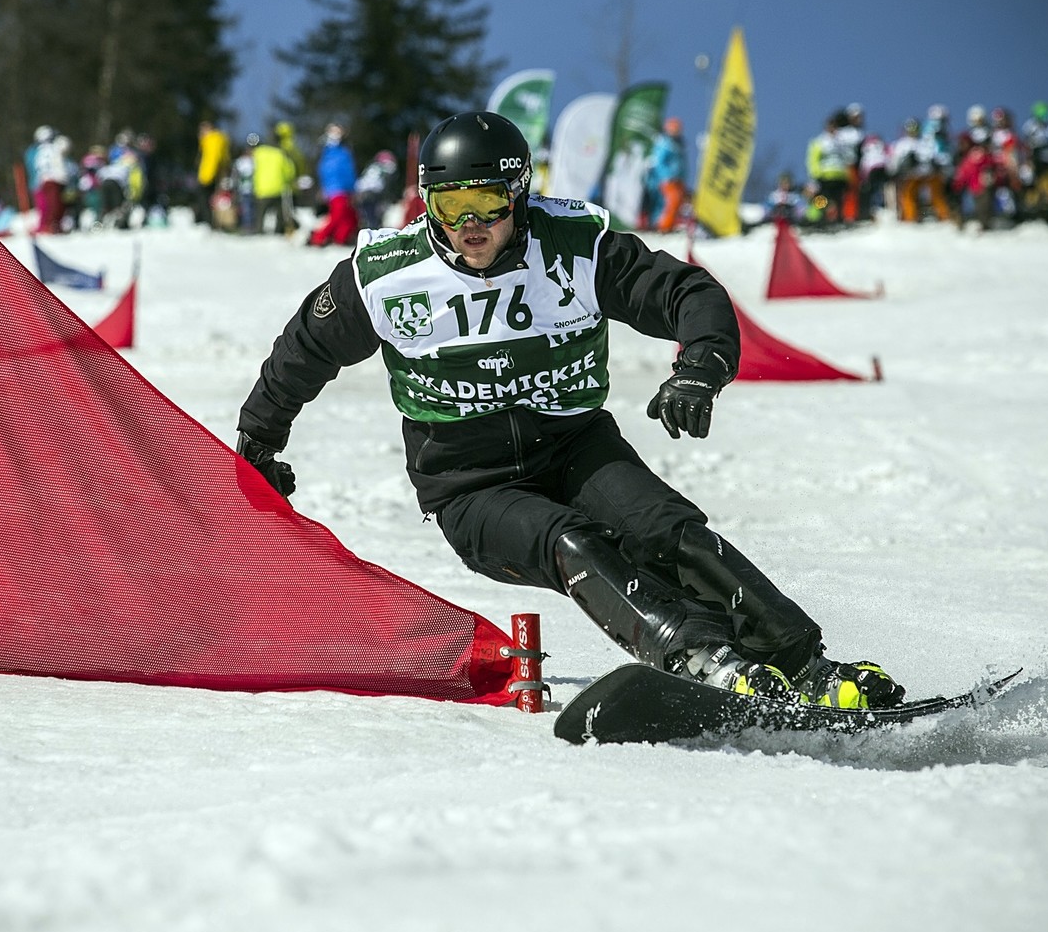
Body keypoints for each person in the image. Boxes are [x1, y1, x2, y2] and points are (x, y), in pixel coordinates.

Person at [235, 111, 905, 711]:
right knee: (571, 542)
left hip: (576, 447)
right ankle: (701, 660)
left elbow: (686, 292)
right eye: (450, 205)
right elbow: (304, 351)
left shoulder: (576, 246)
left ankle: (805, 665)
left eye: (487, 202)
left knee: (669, 533)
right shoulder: (386, 275)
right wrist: (259, 442)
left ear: (519, 193)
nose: (469, 226)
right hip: (470, 485)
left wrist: (700, 366)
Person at [308, 123, 359, 247]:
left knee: (349, 216)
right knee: (337, 214)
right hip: (334, 189)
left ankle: (341, 238)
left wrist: (353, 189)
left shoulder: (345, 152)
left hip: (346, 189)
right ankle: (318, 237)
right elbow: (324, 172)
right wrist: (323, 188)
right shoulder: (326, 153)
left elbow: (350, 172)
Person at [646, 117, 688, 233]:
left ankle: (668, 225)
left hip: (677, 179)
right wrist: (666, 177)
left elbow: (681, 163)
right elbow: (659, 162)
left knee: (676, 203)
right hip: (667, 179)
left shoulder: (678, 143)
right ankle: (661, 226)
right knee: (668, 202)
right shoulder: (664, 143)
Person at [195, 121, 231, 228]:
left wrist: (208, 175)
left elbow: (213, 159)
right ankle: (208, 222)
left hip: (208, 175)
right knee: (208, 199)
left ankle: (207, 222)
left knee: (205, 199)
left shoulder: (212, 140)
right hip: (210, 173)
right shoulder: (216, 140)